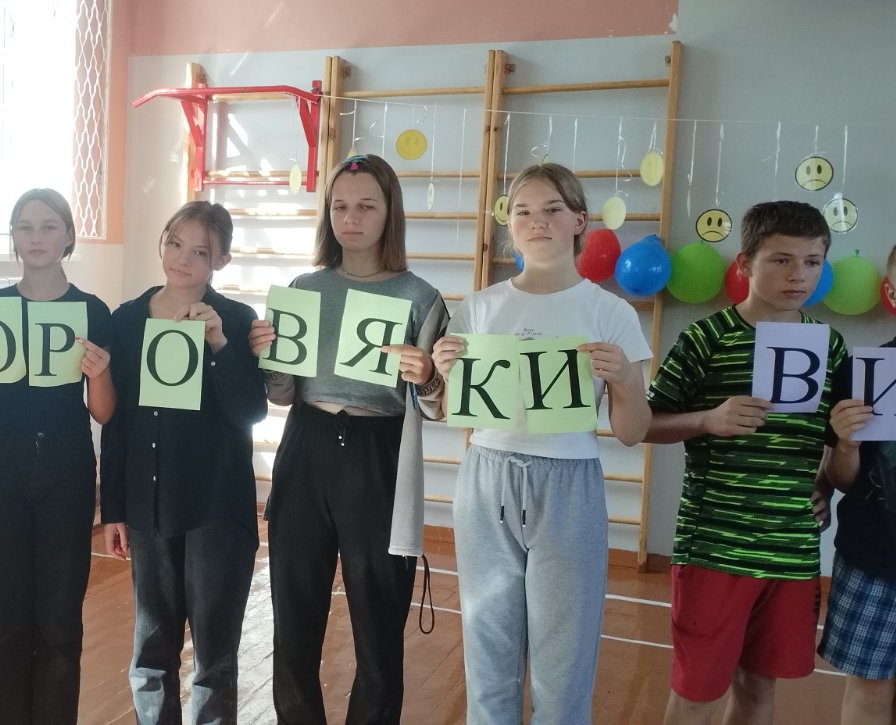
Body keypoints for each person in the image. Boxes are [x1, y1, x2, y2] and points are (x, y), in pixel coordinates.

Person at [430, 163, 651, 724]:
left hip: (569, 481)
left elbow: (633, 431)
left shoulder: (610, 311)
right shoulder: (479, 307)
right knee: (488, 642)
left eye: (552, 209)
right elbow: (459, 411)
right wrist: (445, 371)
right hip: (487, 476)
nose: (537, 221)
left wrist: (625, 379)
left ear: (579, 220)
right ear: (509, 224)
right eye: (523, 211)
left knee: (564, 653)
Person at [247, 153, 448, 724]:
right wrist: (268, 356)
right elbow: (282, 394)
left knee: (379, 627)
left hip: (379, 452)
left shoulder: (421, 296)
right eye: (339, 206)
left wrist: (427, 377)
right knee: (293, 619)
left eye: (366, 206)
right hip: (305, 444)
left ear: (390, 213)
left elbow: (437, 406)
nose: (351, 218)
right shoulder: (303, 287)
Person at [647, 201, 848, 725]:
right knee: (697, 693)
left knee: (759, 687)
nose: (798, 275)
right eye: (781, 260)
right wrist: (707, 419)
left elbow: (837, 438)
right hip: (715, 545)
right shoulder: (706, 338)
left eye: (812, 261)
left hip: (791, 549)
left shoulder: (829, 346)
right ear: (745, 263)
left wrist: (825, 482)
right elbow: (645, 424)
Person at [0, 189, 113, 724]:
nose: (36, 237)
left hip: (68, 464)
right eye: (25, 227)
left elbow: (103, 412)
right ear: (13, 236)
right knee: (7, 617)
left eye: (48, 226)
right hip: (2, 465)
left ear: (68, 236)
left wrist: (100, 372)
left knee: (60, 618)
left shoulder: (91, 310)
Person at [101, 201, 267, 724]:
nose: (183, 259)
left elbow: (251, 411)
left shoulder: (236, 319)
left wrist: (219, 344)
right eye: (176, 243)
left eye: (200, 252)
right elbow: (117, 420)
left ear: (221, 260)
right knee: (151, 649)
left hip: (217, 506)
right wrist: (113, 508)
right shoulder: (127, 320)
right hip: (149, 503)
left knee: (214, 654)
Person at [819, 232, 896, 725]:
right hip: (874, 556)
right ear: (892, 292)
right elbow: (842, 479)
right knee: (869, 693)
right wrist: (847, 444)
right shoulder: (862, 372)